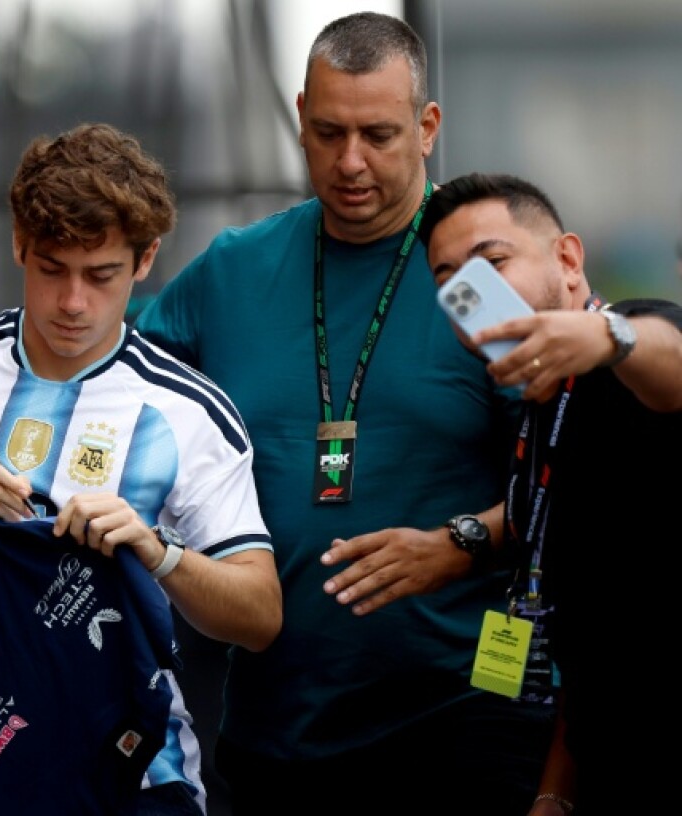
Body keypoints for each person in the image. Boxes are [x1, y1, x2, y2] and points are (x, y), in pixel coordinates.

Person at [134, 11, 553, 815]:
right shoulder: (234, 271)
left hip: (456, 719)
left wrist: (460, 544)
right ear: (299, 117)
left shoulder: (469, 280)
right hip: (270, 731)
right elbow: (98, 376)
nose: (350, 162)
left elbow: (566, 474)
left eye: (378, 135)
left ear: (428, 128)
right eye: (327, 132)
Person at [0, 122, 282, 814]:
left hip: (139, 783)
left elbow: (259, 614)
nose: (73, 302)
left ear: (145, 260)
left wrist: (154, 550)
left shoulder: (187, 410)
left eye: (100, 275)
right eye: (51, 269)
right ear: (18, 243)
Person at [420, 171, 682, 815]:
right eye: (449, 280)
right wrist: (556, 790)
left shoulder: (623, 341)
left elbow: (671, 362)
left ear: (568, 259)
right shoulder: (543, 399)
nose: (469, 291)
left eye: (492, 263)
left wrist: (606, 339)